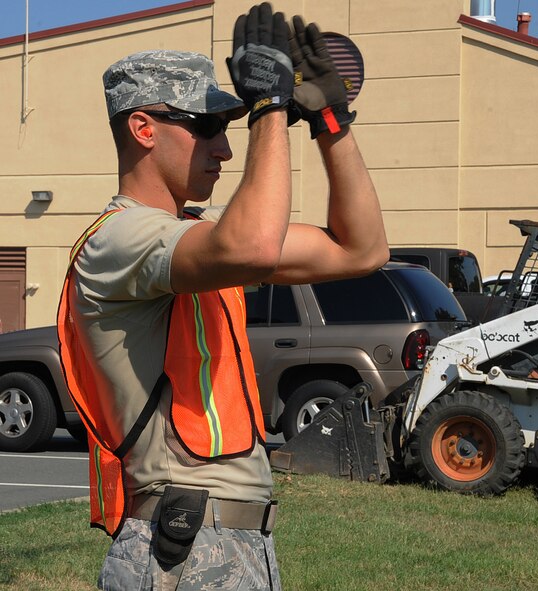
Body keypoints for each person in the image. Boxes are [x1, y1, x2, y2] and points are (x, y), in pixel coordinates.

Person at [57, 3, 388, 590]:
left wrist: (332, 123)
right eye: (205, 127)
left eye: (228, 129)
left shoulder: (202, 236)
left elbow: (360, 250)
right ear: (143, 129)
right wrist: (268, 108)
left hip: (232, 541)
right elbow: (254, 247)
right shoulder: (120, 238)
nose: (224, 149)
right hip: (181, 544)